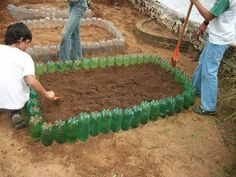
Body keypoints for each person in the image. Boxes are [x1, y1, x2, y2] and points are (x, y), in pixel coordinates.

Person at [0, 22, 56, 129]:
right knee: (20, 90)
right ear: (21, 40)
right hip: (14, 99)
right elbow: (30, 81)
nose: (28, 46)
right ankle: (15, 113)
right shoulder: (25, 57)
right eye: (27, 43)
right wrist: (46, 93)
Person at [191, 0, 236, 115]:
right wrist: (205, 23)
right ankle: (196, 89)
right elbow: (215, 12)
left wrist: (196, 2)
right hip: (218, 36)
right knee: (202, 63)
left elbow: (209, 15)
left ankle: (208, 107)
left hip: (219, 40)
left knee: (209, 71)